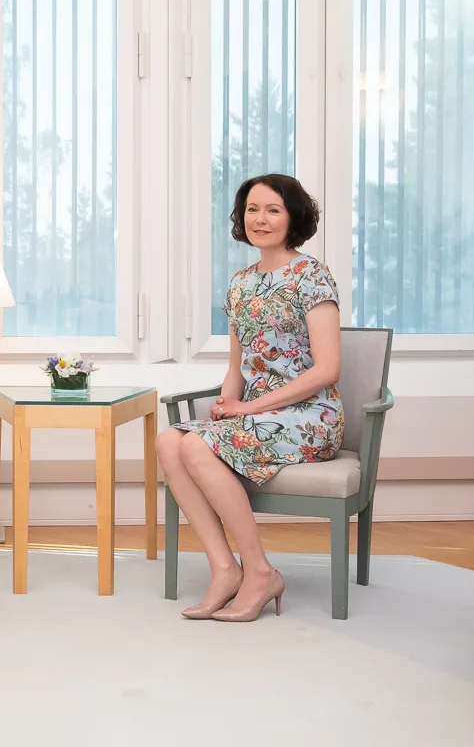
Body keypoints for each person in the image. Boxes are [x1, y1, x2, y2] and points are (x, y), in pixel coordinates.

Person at [156, 174, 343, 622]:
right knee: (168, 441)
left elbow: (327, 370)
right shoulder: (241, 284)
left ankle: (259, 572)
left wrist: (248, 409)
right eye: (252, 209)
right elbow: (237, 366)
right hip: (254, 417)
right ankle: (225, 569)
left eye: (273, 209)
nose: (260, 219)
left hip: (310, 417)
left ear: (293, 217)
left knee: (197, 445)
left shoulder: (311, 275)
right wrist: (226, 405)